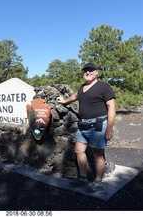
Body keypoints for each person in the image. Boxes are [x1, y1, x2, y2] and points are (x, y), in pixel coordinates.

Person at [57, 62, 116, 193]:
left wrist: (110, 128)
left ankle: (98, 182)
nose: (88, 73)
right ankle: (82, 178)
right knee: (79, 150)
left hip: (98, 125)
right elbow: (75, 96)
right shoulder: (82, 87)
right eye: (85, 71)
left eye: (90, 70)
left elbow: (111, 107)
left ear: (96, 72)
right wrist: (64, 101)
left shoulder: (104, 87)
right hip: (82, 125)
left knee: (98, 154)